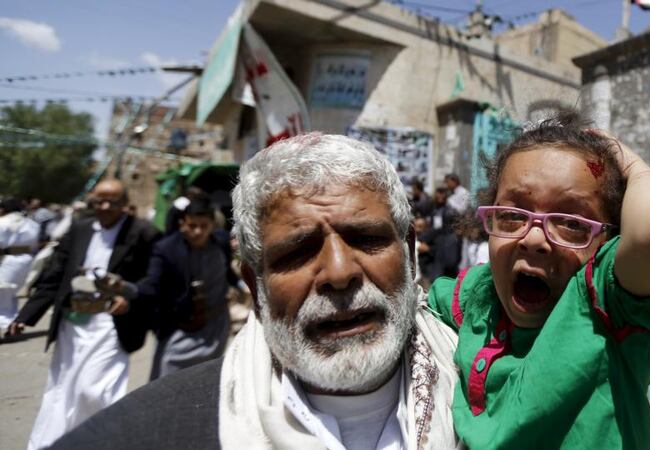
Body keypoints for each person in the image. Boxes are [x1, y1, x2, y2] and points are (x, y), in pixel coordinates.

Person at [51, 134, 462, 450]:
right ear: (255, 284)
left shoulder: (495, 398)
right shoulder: (146, 432)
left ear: (409, 255)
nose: (339, 273)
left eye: (366, 238)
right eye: (298, 252)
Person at [426, 110, 650, 449]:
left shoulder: (608, 303)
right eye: (511, 215)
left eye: (571, 223)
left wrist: (629, 162)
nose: (533, 240)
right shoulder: (479, 295)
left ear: (612, 241)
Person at [8, 179, 161, 449]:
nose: (104, 207)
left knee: (95, 389)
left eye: (112, 202)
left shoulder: (143, 233)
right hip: (73, 323)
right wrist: (25, 316)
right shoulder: (79, 230)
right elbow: (54, 277)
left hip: (110, 326)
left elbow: (154, 281)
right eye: (99, 201)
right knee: (62, 390)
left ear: (125, 205)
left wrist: (129, 298)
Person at [138, 198, 239, 380]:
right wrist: (128, 291)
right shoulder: (166, 249)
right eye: (192, 225)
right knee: (166, 382)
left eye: (204, 225)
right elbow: (152, 284)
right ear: (182, 223)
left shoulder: (221, 242)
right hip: (181, 330)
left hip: (215, 327)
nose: (198, 231)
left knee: (206, 378)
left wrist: (240, 286)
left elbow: (230, 274)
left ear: (212, 225)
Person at [0, 198, 39, 333]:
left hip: (7, 261)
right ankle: (13, 322)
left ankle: (8, 323)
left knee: (3, 293)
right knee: (11, 295)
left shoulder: (3, 222)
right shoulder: (31, 223)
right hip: (26, 261)